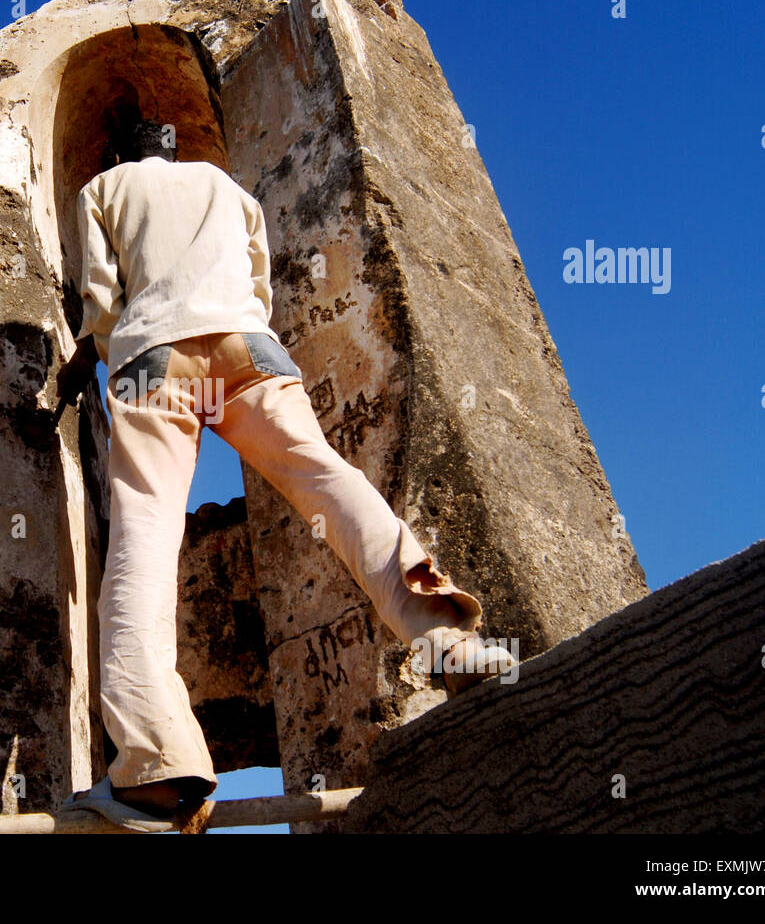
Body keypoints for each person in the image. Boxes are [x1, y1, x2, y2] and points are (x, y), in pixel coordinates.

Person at [54, 119, 514, 829]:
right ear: (178, 151)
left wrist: (90, 360)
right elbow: (257, 285)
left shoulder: (104, 187)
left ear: (124, 153)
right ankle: (444, 638)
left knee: (143, 538)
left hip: (154, 360)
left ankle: (157, 764)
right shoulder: (229, 189)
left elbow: (103, 301)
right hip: (249, 349)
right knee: (326, 479)